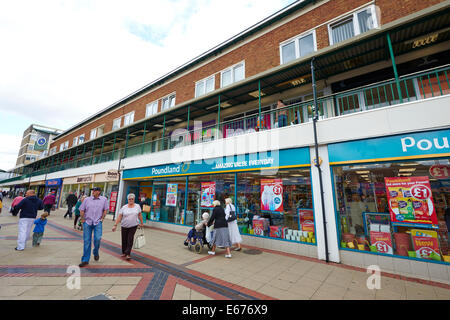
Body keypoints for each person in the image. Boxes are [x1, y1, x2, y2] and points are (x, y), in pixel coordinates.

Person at [78, 187, 109, 267]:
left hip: (98, 222)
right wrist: (82, 219)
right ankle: (85, 260)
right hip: (87, 222)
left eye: (94, 191)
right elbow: (81, 209)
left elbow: (105, 210)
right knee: (87, 241)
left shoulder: (104, 199)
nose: (93, 192)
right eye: (92, 190)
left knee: (97, 239)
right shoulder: (87, 199)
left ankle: (95, 252)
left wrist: (102, 218)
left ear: (98, 192)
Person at [112, 193, 144, 261]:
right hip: (124, 225)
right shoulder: (124, 207)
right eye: (129, 199)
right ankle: (124, 252)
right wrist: (115, 225)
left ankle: (128, 253)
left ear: (134, 199)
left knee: (130, 239)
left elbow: (140, 215)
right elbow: (120, 216)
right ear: (128, 200)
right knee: (124, 239)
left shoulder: (137, 206)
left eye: (132, 199)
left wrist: (141, 223)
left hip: (133, 225)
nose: (131, 200)